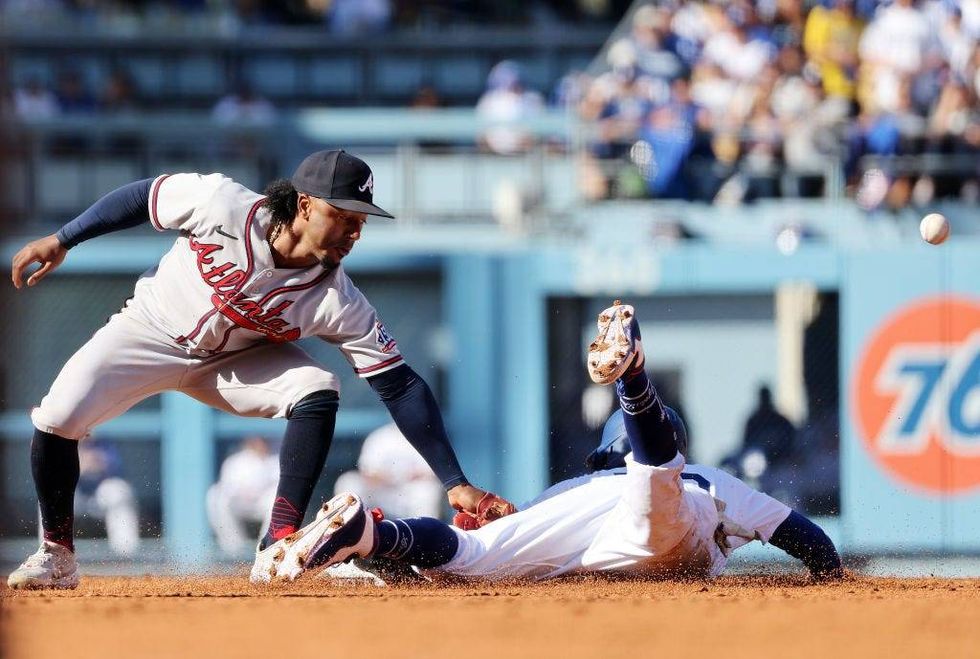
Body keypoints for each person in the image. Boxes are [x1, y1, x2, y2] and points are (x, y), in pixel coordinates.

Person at [7, 149, 515, 590]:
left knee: (316, 385)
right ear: (305, 203)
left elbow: (400, 385)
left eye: (361, 222)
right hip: (149, 329)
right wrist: (65, 238)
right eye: (344, 216)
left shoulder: (338, 299)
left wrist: (453, 481)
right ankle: (57, 554)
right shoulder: (220, 203)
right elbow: (143, 196)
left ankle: (278, 541)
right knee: (56, 417)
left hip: (233, 363)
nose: (354, 232)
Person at [259, 302, 843, 585]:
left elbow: (487, 540)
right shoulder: (708, 480)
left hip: (585, 522)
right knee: (658, 479)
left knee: (471, 561)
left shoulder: (574, 483)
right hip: (664, 514)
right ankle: (634, 379)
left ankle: (373, 534)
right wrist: (828, 575)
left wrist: (426, 550)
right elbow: (805, 537)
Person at [333, 423, 443, 520]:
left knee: (428, 490)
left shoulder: (426, 437)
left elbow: (432, 473)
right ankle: (351, 531)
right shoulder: (380, 437)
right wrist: (388, 477)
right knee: (348, 481)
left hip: (409, 495)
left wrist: (403, 476)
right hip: (383, 493)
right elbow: (367, 473)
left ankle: (425, 537)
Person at [206, 436, 280, 555]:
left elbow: (280, 488)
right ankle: (234, 550)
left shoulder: (277, 459)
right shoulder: (235, 460)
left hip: (262, 504)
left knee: (276, 500)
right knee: (215, 495)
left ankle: (267, 547)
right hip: (241, 504)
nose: (259, 443)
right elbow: (227, 487)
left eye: (261, 440)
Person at [74, 440, 140, 556]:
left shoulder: (104, 444)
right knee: (51, 495)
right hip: (74, 497)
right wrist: (77, 466)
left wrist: (98, 464)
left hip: (101, 496)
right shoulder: (62, 441)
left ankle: (126, 554)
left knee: (118, 490)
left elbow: (117, 472)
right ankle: (51, 551)